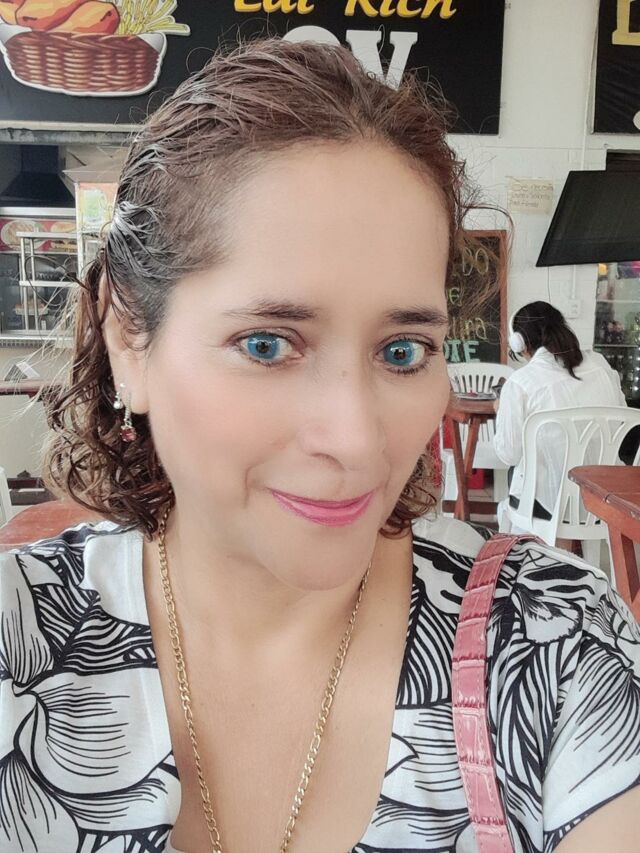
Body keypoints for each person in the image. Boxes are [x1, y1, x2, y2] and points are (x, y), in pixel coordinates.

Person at [1, 40, 638, 853]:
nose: (357, 439)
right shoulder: (16, 643)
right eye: (268, 344)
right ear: (129, 338)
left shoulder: (558, 644)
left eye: (402, 351)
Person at [493, 301, 627, 522]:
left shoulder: (519, 384)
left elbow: (509, 454)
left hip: (550, 505)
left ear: (519, 343)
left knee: (517, 473)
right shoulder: (600, 365)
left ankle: (553, 540)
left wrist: (501, 411)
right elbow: (621, 419)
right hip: (606, 498)